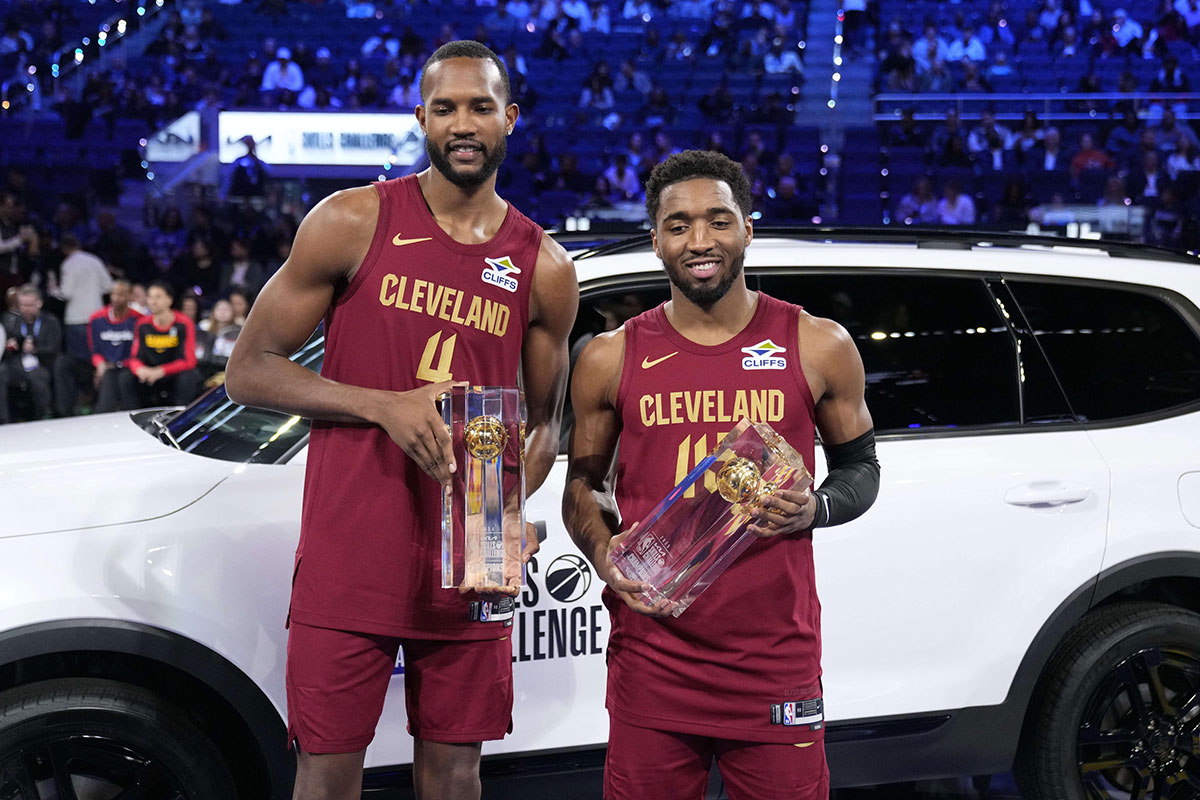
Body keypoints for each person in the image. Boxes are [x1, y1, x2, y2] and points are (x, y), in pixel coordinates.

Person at [223, 40, 579, 800]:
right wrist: (380, 404)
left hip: (471, 562)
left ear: (509, 119)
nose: (462, 122)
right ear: (420, 117)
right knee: (325, 773)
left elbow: (546, 425)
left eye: (480, 106)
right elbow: (247, 371)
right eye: (444, 107)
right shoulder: (352, 220)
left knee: (454, 775)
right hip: (349, 554)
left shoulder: (543, 265)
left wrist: (508, 516)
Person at [563, 150, 878, 800]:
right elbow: (582, 487)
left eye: (718, 220)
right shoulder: (609, 357)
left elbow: (861, 470)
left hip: (772, 660)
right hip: (653, 657)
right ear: (655, 240)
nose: (699, 240)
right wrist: (603, 551)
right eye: (678, 225)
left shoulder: (818, 343)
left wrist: (813, 509)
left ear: (748, 228)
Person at [118, 280, 202, 408]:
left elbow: (190, 361)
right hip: (148, 374)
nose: (152, 301)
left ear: (169, 300)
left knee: (189, 376)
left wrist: (161, 371)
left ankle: (181, 414)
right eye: (150, 297)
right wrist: (140, 369)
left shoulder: (184, 323)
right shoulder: (142, 324)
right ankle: (131, 414)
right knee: (125, 377)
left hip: (172, 374)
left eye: (158, 297)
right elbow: (135, 357)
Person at [0, 284, 62, 423]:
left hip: (42, 364)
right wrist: (11, 346)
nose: (25, 309)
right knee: (1, 372)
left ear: (39, 303)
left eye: (29, 305)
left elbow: (53, 349)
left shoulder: (50, 321)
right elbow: (7, 348)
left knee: (36, 378)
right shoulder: (14, 322)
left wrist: (35, 349)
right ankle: (4, 419)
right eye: (22, 305)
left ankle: (42, 416)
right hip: (18, 364)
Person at [87, 278, 141, 413]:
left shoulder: (139, 319)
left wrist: (124, 364)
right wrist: (100, 364)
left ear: (130, 296)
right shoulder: (97, 318)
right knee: (108, 382)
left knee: (124, 380)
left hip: (129, 368)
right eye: (114, 294)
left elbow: (139, 351)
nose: (116, 298)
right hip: (107, 368)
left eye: (121, 294)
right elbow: (94, 350)